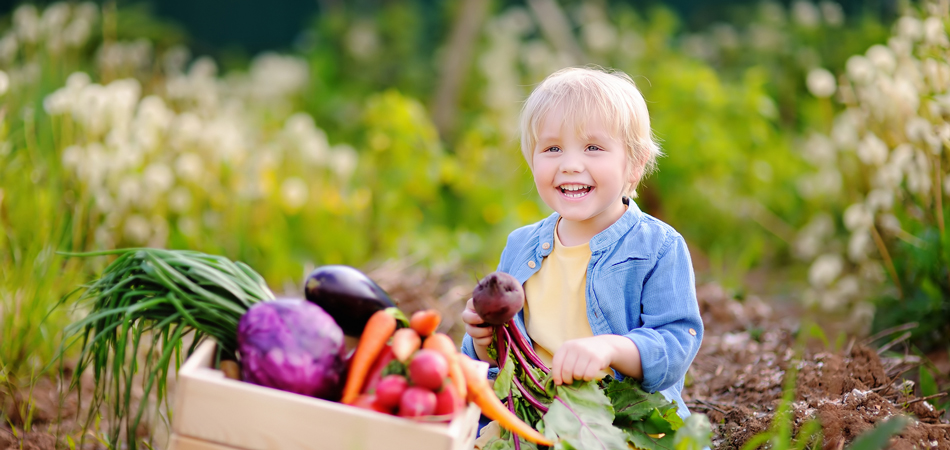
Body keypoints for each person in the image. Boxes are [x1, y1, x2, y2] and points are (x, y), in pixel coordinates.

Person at [461, 66, 704, 423]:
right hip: (532, 411)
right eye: (552, 148)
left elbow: (675, 342)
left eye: (593, 148)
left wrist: (610, 348)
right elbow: (499, 358)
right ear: (532, 160)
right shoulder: (521, 245)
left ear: (634, 165)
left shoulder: (658, 247)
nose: (571, 165)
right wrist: (483, 341)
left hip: (620, 419)